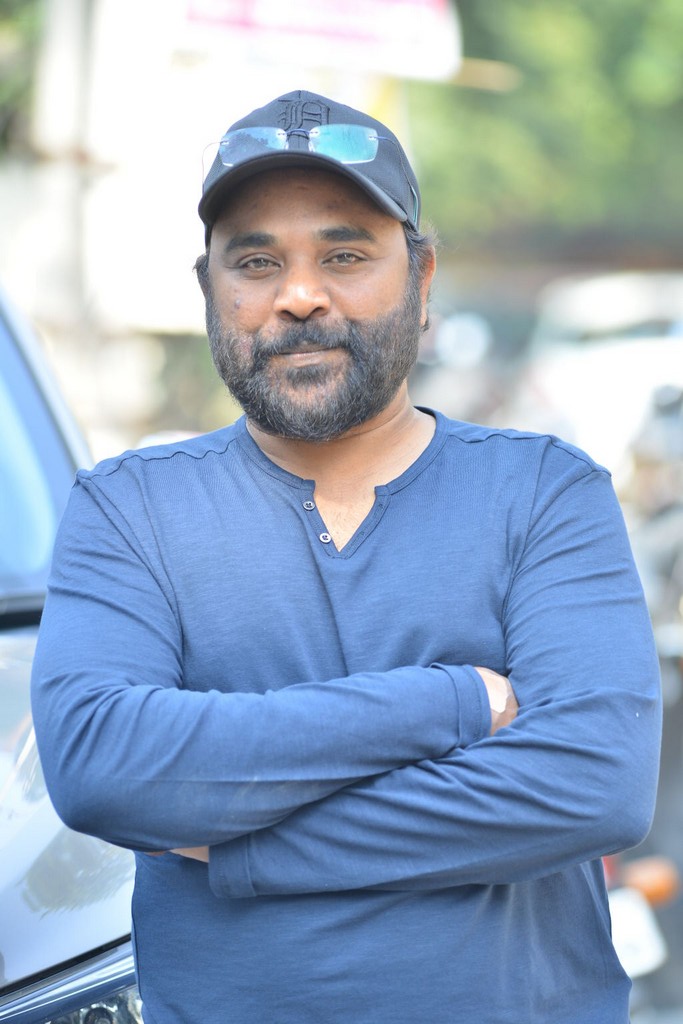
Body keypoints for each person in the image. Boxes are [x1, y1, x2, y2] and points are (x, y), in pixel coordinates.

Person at [31, 90, 662, 1024]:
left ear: (422, 276)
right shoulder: (131, 510)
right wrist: (449, 701)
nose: (298, 295)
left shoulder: (543, 493)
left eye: (344, 255)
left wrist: (241, 845)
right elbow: (102, 766)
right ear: (209, 289)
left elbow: (592, 787)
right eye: (256, 261)